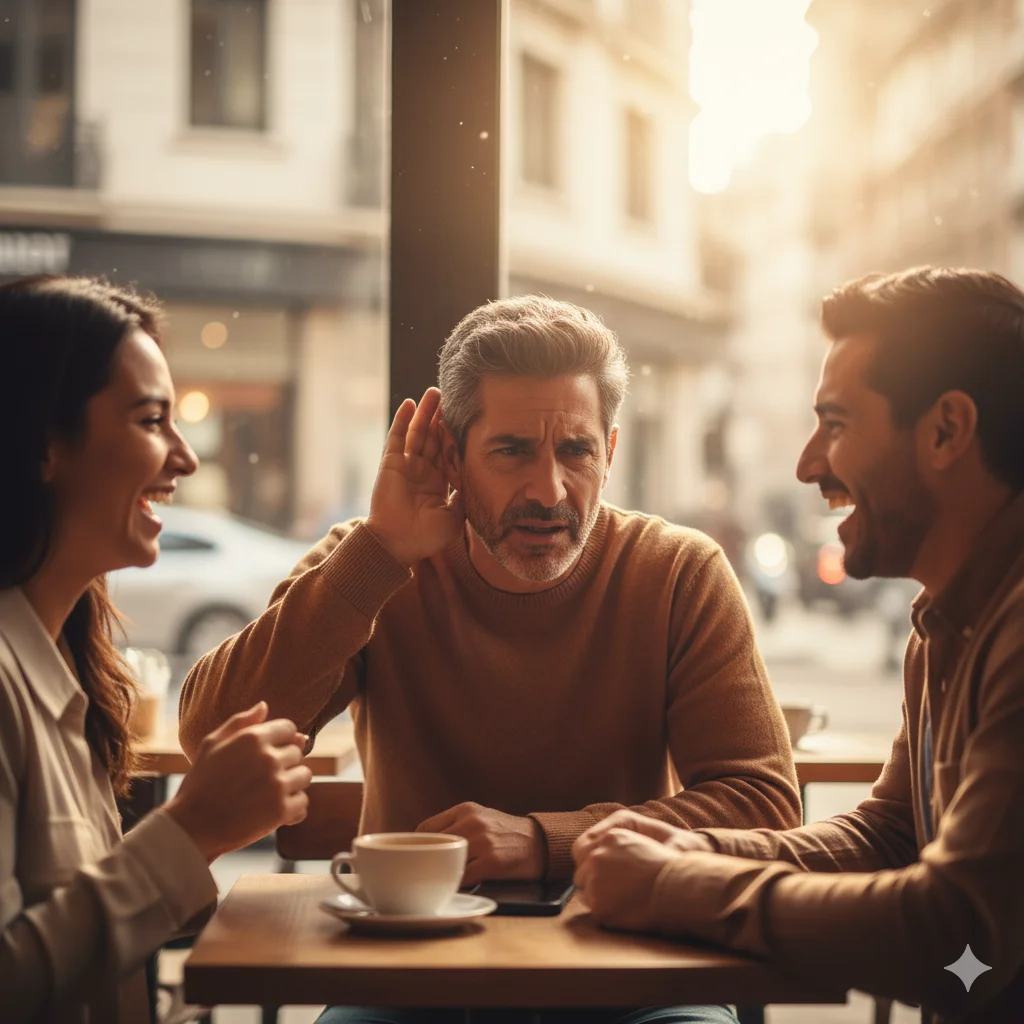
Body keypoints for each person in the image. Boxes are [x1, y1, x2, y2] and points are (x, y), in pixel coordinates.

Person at [179, 294, 801, 1024]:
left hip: (631, 975)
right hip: (411, 980)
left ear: (611, 451)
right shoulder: (373, 562)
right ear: (453, 454)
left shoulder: (678, 572)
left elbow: (766, 807)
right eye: (511, 452)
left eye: (576, 451)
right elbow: (211, 735)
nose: (549, 491)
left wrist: (543, 841)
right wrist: (379, 553)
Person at [572, 267, 1024, 1024]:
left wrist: (672, 887)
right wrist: (696, 855)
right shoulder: (949, 621)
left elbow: (957, 935)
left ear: (947, 430)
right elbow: (892, 834)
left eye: (838, 425)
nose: (808, 464)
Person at [0, 276, 313, 1023]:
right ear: (43, 441)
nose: (186, 459)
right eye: (150, 421)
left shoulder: (62, 663)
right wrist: (193, 830)